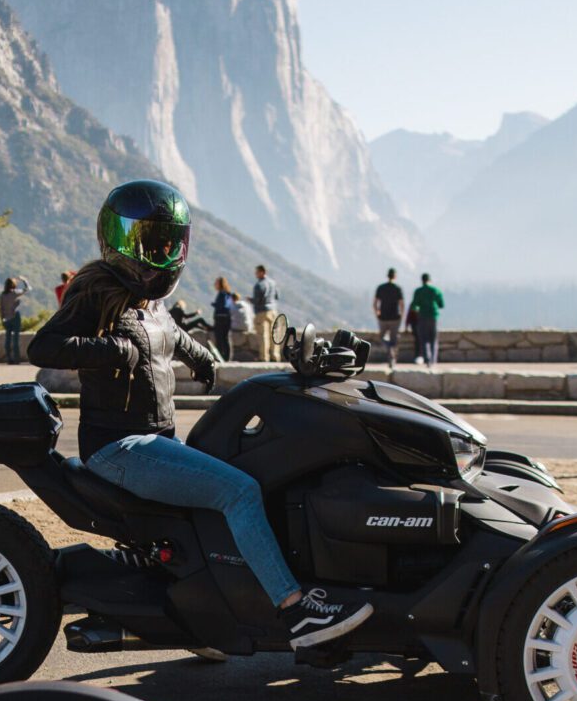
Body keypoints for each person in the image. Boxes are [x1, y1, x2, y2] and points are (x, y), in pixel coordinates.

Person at [28, 179, 372, 648]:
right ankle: (296, 612)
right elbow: (43, 346)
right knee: (239, 492)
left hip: (158, 439)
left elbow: (169, 333)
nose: (161, 252)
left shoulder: (151, 299)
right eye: (150, 241)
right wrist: (110, 351)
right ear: (119, 240)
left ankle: (206, 618)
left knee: (241, 480)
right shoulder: (94, 291)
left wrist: (200, 356)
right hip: (119, 447)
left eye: (169, 242)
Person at [411, 273, 445, 367]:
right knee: (434, 339)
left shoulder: (418, 291)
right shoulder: (435, 290)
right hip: (434, 316)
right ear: (430, 280)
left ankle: (428, 359)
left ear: (422, 280)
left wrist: (418, 310)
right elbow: (441, 304)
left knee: (424, 339)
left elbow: (414, 306)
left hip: (422, 316)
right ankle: (433, 361)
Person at [373, 267, 404, 369]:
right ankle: (392, 357)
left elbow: (375, 303)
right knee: (393, 339)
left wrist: (377, 313)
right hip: (395, 317)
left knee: (382, 337)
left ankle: (389, 350)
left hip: (383, 317)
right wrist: (401, 315)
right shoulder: (397, 288)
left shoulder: (381, 288)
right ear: (395, 276)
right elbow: (401, 304)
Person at [0, 276, 31, 364]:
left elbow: (1, 308)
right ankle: (16, 359)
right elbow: (27, 289)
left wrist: (2, 319)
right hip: (15, 317)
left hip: (6, 318)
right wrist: (24, 280)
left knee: (8, 339)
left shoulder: (2, 295)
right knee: (15, 339)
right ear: (13, 285)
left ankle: (9, 358)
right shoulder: (15, 293)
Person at [252, 264, 280, 362]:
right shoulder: (273, 283)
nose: (255, 274)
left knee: (263, 335)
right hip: (273, 310)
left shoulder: (259, 285)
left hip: (262, 312)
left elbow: (258, 300)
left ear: (262, 272)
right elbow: (277, 296)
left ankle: (264, 357)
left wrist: (251, 300)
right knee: (274, 335)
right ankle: (275, 356)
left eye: (257, 272)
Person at [211, 277, 233, 361]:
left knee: (219, 339)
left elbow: (223, 305)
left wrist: (215, 304)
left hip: (220, 318)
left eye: (216, 283)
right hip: (227, 318)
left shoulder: (222, 294)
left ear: (220, 284)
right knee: (226, 338)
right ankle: (227, 358)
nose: (214, 284)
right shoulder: (228, 293)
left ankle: (220, 357)